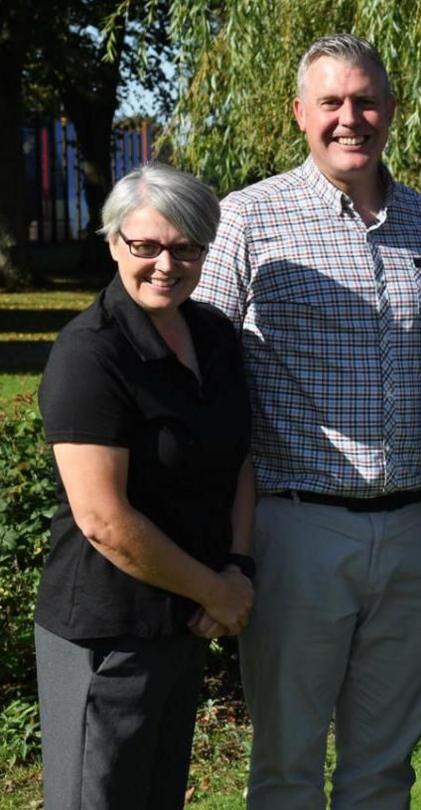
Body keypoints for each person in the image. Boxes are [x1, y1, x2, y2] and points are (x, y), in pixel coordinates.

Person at [193, 33, 421, 808]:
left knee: (385, 767)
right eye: (333, 102)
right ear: (300, 113)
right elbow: (201, 371)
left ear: (391, 109)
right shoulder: (247, 220)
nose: (352, 118)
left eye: (367, 100)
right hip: (297, 526)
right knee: (287, 763)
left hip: (416, 526)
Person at [33, 162, 255, 810]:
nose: (166, 263)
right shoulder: (89, 353)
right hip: (107, 634)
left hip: (182, 625)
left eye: (186, 247)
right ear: (113, 243)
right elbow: (103, 518)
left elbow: (240, 458)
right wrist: (217, 589)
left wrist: (237, 569)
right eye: (147, 246)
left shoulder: (213, 336)